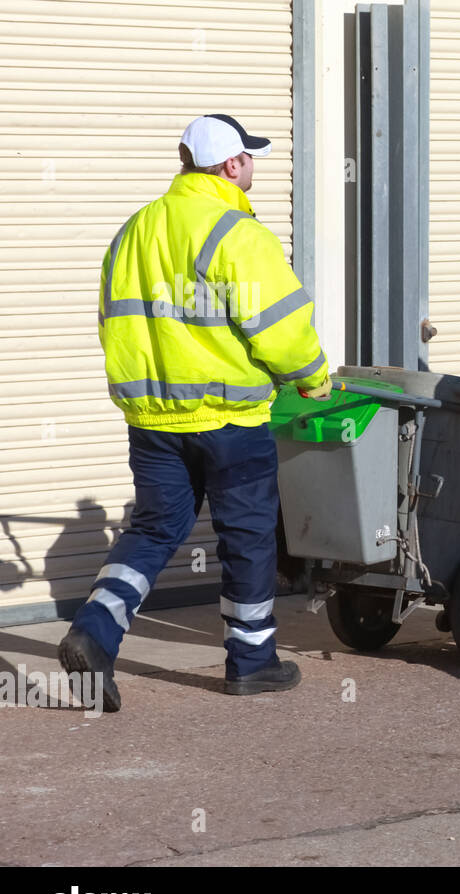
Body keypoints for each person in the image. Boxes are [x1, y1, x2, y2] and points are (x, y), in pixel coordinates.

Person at [58, 114, 332, 712]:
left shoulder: (136, 230)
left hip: (154, 424)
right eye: (250, 157)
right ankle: (252, 662)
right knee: (247, 537)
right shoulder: (237, 232)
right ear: (232, 165)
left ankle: (94, 633)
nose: (254, 166)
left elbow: (114, 323)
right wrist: (312, 379)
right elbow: (282, 331)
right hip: (230, 421)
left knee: (154, 530)